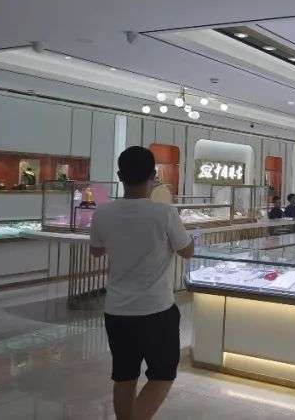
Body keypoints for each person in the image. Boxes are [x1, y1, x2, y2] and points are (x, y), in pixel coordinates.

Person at [89, 146, 195, 420]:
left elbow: (96, 250)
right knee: (162, 375)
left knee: (124, 376)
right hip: (156, 309)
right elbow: (187, 251)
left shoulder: (103, 213)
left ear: (119, 176)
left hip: (117, 310)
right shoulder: (164, 213)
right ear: (153, 177)